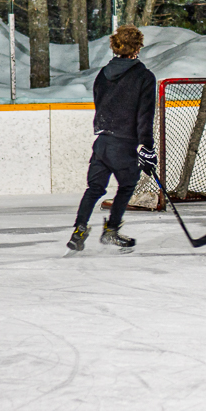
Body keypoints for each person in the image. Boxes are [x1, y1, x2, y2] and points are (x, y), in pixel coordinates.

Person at [67, 25, 157, 252]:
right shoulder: (144, 76)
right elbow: (145, 114)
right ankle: (111, 231)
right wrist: (147, 146)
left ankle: (79, 230)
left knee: (94, 188)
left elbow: (100, 105)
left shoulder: (102, 74)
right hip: (124, 143)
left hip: (102, 142)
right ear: (137, 48)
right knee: (127, 185)